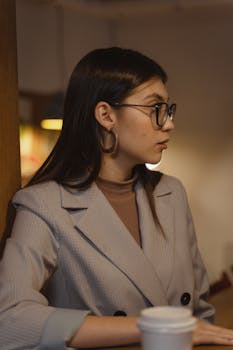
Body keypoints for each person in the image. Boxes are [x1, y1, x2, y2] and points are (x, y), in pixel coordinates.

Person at [0, 47, 233, 350]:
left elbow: (201, 315)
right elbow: (9, 321)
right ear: (106, 115)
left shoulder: (171, 193)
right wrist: (156, 326)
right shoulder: (43, 205)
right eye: (155, 109)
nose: (169, 123)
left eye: (168, 109)